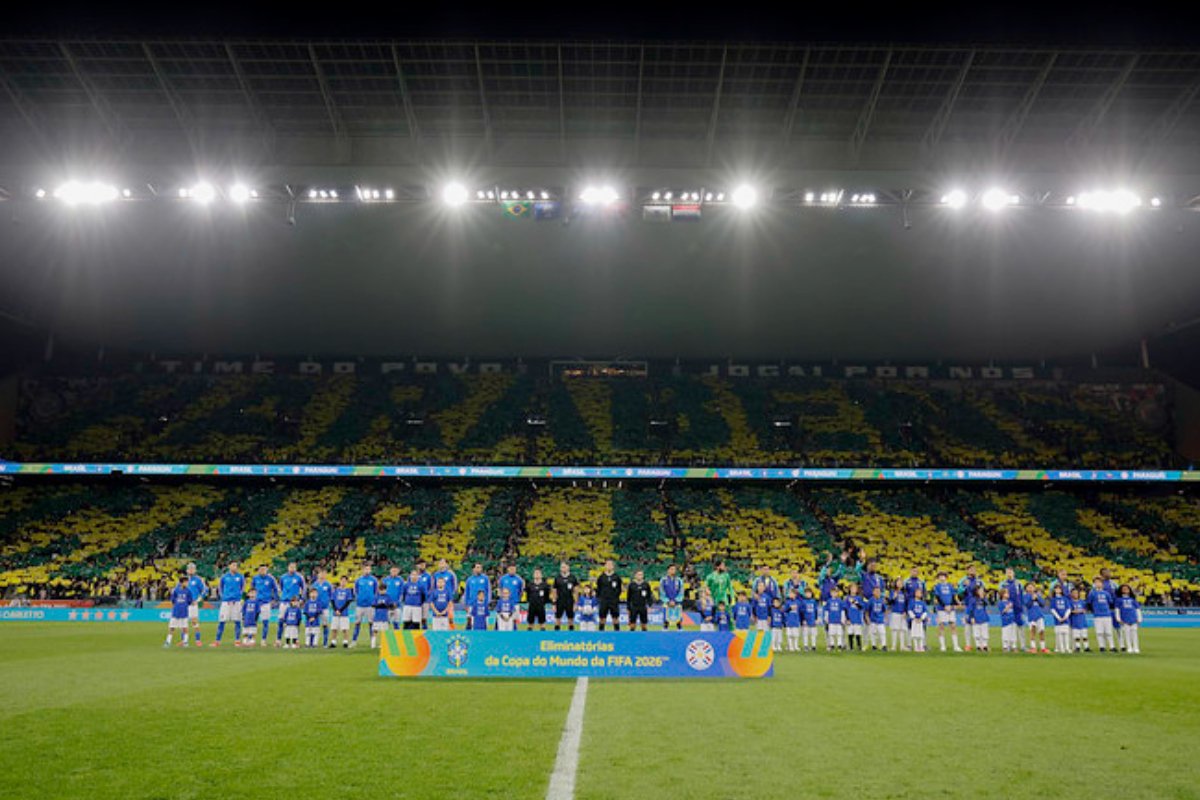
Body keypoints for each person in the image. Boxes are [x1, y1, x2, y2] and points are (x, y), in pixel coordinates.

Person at [213, 561, 245, 646]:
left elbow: (242, 588)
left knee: (237, 621)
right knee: (222, 621)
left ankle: (237, 640)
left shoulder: (240, 577)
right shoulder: (224, 577)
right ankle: (217, 641)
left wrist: (238, 597)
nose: (235, 567)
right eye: (233, 565)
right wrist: (224, 597)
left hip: (236, 602)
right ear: (229, 566)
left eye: (236, 565)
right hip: (226, 602)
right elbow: (220, 588)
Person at [276, 562, 307, 647]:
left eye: (294, 567)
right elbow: (281, 588)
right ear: (288, 567)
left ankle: (295, 640)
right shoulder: (283, 577)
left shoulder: (299, 577)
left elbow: (304, 588)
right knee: (281, 620)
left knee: (296, 621)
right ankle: (278, 639)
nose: (292, 569)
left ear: (296, 568)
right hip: (285, 601)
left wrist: (302, 599)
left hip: (294, 602)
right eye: (290, 567)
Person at [931, 571, 961, 653]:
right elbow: (937, 597)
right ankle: (943, 646)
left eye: (943, 576)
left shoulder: (950, 586)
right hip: (941, 609)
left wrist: (951, 605)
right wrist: (944, 605)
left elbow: (953, 596)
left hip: (950, 609)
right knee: (941, 626)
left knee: (953, 626)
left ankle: (956, 646)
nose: (942, 577)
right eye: (940, 576)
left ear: (946, 577)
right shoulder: (937, 586)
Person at [958, 566, 984, 652]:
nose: (973, 571)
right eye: (971, 569)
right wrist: (965, 586)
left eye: (974, 569)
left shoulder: (979, 581)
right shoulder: (963, 580)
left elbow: (983, 591)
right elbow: (959, 592)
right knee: (967, 625)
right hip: (968, 605)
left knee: (978, 625)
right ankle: (968, 644)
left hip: (977, 605)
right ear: (967, 571)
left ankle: (980, 644)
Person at [1000, 568, 1026, 652]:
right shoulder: (1003, 584)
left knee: (1020, 627)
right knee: (1009, 628)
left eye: (1010, 572)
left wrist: (1021, 607)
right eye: (1007, 572)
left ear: (1014, 573)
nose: (1009, 574)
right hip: (1009, 608)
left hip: (1018, 609)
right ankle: (1010, 645)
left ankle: (1023, 645)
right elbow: (1000, 596)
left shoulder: (1018, 583)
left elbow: (1021, 596)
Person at [251, 565, 279, 644]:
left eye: (264, 569)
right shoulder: (255, 578)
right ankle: (251, 638)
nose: (263, 571)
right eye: (261, 569)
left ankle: (263, 639)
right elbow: (252, 589)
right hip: (256, 603)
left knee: (265, 622)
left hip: (266, 603)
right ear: (259, 570)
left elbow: (275, 589)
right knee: (253, 621)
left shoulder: (270, 579)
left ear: (267, 570)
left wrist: (275, 599)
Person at [1087, 577, 1116, 652]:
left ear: (1102, 584)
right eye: (1096, 582)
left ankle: (1112, 646)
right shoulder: (1092, 593)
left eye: (1099, 582)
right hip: (1097, 615)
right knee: (1099, 632)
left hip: (1107, 614)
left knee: (1108, 632)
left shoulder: (1106, 593)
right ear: (1094, 584)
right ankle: (1102, 646)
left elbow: (1110, 602)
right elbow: (1089, 603)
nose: (1098, 584)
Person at [353, 565, 379, 647]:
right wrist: (359, 598)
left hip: (370, 605)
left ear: (370, 570)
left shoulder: (374, 580)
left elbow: (376, 591)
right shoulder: (358, 580)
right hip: (360, 605)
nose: (367, 570)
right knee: (357, 623)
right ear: (362, 569)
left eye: (368, 569)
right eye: (365, 569)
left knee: (371, 623)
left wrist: (373, 600)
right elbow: (355, 591)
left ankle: (372, 641)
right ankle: (354, 641)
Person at [164, 575, 193, 648]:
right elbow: (173, 600)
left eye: (187, 582)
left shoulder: (188, 591)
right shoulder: (176, 590)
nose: (187, 584)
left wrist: (184, 604)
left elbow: (190, 601)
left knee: (185, 628)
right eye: (186, 582)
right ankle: (168, 641)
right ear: (181, 583)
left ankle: (186, 642)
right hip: (176, 611)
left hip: (184, 612)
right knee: (172, 627)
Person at [596, 560, 623, 631]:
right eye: (607, 564)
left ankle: (617, 634)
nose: (609, 566)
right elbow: (598, 589)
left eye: (610, 565)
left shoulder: (617, 577)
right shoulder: (601, 577)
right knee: (602, 618)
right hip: (604, 601)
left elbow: (619, 589)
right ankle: (601, 634)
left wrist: (615, 597)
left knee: (615, 618)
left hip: (613, 601)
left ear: (613, 566)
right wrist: (601, 598)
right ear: (605, 566)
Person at [552, 562, 580, 631]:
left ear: (568, 567)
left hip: (570, 601)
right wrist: (554, 604)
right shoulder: (557, 578)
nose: (562, 568)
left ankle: (570, 636)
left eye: (564, 567)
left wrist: (576, 603)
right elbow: (554, 592)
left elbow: (576, 591)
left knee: (570, 620)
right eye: (561, 567)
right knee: (558, 619)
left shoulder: (573, 578)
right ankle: (556, 635)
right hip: (559, 601)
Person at [185, 563, 207, 647]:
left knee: (194, 621)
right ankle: (184, 640)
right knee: (184, 623)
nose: (191, 570)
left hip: (193, 604)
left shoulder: (198, 579)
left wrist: (198, 600)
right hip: (184, 604)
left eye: (192, 568)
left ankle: (198, 640)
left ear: (195, 570)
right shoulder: (183, 579)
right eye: (189, 568)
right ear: (187, 570)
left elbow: (205, 590)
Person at [1115, 584, 1142, 654]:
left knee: (1134, 633)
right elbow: (1117, 610)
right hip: (1124, 619)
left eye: (1127, 588)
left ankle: (1136, 647)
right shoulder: (1118, 600)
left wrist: (1139, 618)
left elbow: (1137, 609)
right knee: (1126, 634)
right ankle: (1129, 647)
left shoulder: (1133, 599)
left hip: (1133, 618)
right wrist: (1118, 619)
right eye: (1123, 589)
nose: (1125, 590)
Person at [311, 568, 334, 647]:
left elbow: (331, 595)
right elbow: (311, 595)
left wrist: (329, 603)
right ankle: (314, 642)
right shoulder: (314, 585)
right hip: (315, 608)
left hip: (325, 607)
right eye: (321, 573)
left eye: (324, 574)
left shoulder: (328, 585)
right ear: (318, 575)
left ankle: (325, 642)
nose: (322, 575)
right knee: (314, 625)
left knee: (325, 624)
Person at [330, 577, 355, 648]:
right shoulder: (335, 590)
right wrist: (336, 610)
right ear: (340, 581)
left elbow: (348, 602)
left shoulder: (348, 591)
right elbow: (332, 601)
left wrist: (340, 610)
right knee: (334, 628)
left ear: (346, 582)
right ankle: (333, 642)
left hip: (344, 613)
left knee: (345, 628)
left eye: (345, 581)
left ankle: (345, 642)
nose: (343, 582)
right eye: (342, 581)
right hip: (335, 613)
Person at [659, 564, 685, 630]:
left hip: (677, 604)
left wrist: (676, 601)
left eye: (674, 569)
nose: (673, 571)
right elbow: (661, 591)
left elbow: (681, 591)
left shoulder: (679, 580)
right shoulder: (663, 580)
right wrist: (667, 601)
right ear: (668, 570)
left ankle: (680, 631)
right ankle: (665, 631)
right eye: (671, 569)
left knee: (678, 620)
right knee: (666, 620)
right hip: (667, 604)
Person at [1025, 583, 1048, 654]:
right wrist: (1032, 599)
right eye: (1029, 587)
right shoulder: (1026, 596)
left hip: (1039, 616)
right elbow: (1027, 605)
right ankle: (1033, 647)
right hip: (1031, 616)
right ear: (1026, 589)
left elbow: (1043, 604)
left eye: (1032, 587)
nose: (1030, 588)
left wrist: (1037, 598)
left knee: (1041, 631)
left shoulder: (1038, 595)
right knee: (1033, 631)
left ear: (1034, 588)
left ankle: (1043, 648)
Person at [1050, 584, 1072, 654]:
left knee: (1066, 634)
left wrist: (1065, 616)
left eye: (1059, 589)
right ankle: (1061, 648)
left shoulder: (1065, 599)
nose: (1058, 590)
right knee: (1059, 634)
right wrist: (1059, 618)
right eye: (1056, 589)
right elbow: (1052, 610)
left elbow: (1068, 608)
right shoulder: (1053, 600)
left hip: (1065, 620)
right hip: (1057, 621)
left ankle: (1067, 648)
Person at [382, 567, 406, 631]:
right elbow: (382, 592)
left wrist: (397, 602)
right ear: (390, 571)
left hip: (397, 605)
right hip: (387, 606)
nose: (394, 572)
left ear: (398, 571)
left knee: (396, 623)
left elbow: (402, 593)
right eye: (393, 571)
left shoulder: (400, 580)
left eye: (396, 571)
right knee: (385, 623)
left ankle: (397, 638)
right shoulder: (385, 580)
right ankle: (385, 639)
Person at [824, 586, 847, 651]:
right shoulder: (829, 601)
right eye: (833, 592)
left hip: (838, 620)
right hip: (831, 620)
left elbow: (842, 610)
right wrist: (826, 618)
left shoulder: (840, 601)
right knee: (831, 633)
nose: (834, 593)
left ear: (837, 593)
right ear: (831, 593)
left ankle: (840, 645)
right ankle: (832, 645)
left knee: (839, 633)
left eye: (835, 592)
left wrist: (843, 618)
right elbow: (827, 610)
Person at [888, 579, 908, 651]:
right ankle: (893, 646)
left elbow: (906, 604)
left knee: (902, 630)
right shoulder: (892, 592)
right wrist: (894, 597)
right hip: (895, 612)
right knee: (895, 629)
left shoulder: (904, 593)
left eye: (901, 582)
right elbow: (890, 602)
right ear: (895, 583)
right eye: (898, 582)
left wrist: (905, 612)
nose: (900, 584)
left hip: (902, 613)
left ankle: (902, 646)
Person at [867, 586, 888, 651]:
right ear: (873, 592)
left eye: (879, 591)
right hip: (873, 619)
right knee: (873, 633)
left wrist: (885, 617)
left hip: (880, 620)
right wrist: (867, 618)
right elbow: (867, 610)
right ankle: (874, 645)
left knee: (882, 633)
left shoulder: (882, 600)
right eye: (876, 591)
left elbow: (885, 610)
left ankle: (884, 645)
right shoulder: (871, 600)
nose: (877, 592)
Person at [1069, 588, 1090, 652]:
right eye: (1074, 593)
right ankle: (1077, 647)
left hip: (1082, 621)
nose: (1075, 594)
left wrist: (1082, 611)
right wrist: (1073, 611)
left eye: (1076, 593)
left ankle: (1086, 647)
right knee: (1076, 636)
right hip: (1075, 621)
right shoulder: (1070, 602)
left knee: (1084, 635)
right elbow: (1070, 611)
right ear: (1071, 594)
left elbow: (1085, 610)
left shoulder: (1082, 602)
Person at [414, 559, 433, 629]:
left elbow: (431, 587)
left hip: (425, 600)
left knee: (424, 618)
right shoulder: (413, 575)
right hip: (416, 600)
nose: (423, 566)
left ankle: (425, 632)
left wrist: (428, 597)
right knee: (416, 618)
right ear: (417, 566)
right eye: (421, 565)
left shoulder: (428, 575)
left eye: (424, 565)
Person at [971, 588, 990, 652]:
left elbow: (987, 604)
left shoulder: (984, 599)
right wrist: (972, 617)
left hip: (984, 618)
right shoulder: (973, 600)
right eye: (980, 591)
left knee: (985, 633)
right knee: (976, 634)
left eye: (982, 591)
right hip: (976, 618)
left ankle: (985, 646)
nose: (981, 592)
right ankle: (978, 646)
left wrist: (983, 598)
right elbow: (971, 609)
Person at [999, 588, 1018, 653]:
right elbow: (1002, 612)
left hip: (1012, 620)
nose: (1008, 594)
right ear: (1002, 594)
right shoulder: (1001, 603)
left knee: (1013, 634)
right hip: (1006, 621)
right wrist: (1007, 607)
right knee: (1006, 634)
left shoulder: (1010, 602)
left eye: (1008, 593)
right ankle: (1005, 646)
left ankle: (1014, 646)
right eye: (1006, 593)